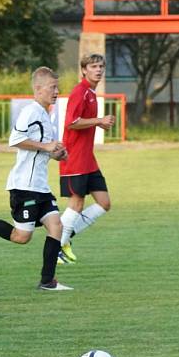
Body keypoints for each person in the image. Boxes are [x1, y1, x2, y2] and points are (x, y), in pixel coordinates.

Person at [0, 67, 72, 291]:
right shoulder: (31, 111)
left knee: (56, 226)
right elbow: (15, 139)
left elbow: (39, 150)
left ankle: (48, 281)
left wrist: (56, 154)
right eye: (52, 87)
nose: (57, 91)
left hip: (40, 186)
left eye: (57, 87)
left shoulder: (45, 115)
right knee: (21, 237)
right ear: (38, 89)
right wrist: (46, 145)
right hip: (24, 187)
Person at [57, 53, 115, 263]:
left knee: (104, 203)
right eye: (93, 67)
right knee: (77, 203)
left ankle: (64, 236)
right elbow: (71, 123)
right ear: (84, 70)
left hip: (88, 160)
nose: (98, 70)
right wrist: (99, 120)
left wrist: (98, 123)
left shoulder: (90, 93)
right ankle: (57, 246)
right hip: (75, 159)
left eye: (100, 66)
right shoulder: (80, 92)